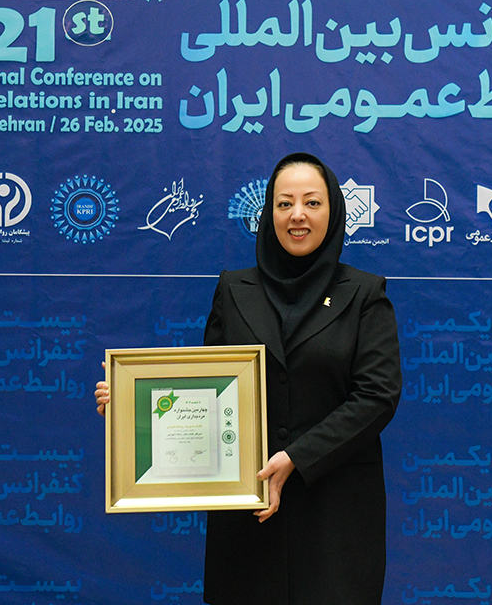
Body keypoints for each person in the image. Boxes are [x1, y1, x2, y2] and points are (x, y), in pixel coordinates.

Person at [95, 152, 402, 605]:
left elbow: (377, 397)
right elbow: (205, 393)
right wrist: (130, 405)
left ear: (334, 211)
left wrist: (296, 457)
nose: (297, 215)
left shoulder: (365, 294)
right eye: (284, 203)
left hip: (334, 516)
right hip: (247, 515)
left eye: (312, 202)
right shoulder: (233, 289)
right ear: (268, 214)